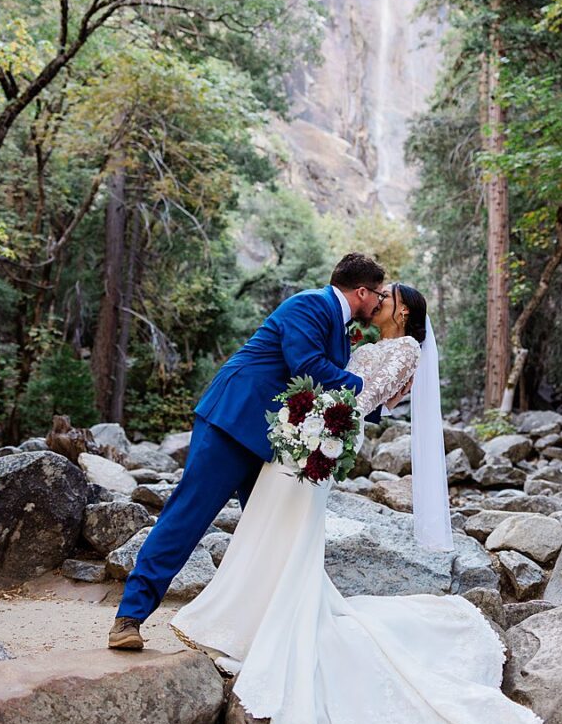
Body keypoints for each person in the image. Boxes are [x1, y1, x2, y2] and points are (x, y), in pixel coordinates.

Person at [170, 283, 549, 724]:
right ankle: (244, 615)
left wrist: (318, 418)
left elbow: (357, 396)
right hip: (306, 437)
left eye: (389, 296)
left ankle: (263, 621)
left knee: (286, 532)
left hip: (318, 444)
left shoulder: (407, 350)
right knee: (268, 528)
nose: (379, 300)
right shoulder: (371, 340)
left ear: (404, 311)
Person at [109, 254, 388, 650]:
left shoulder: (341, 327)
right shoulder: (309, 304)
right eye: (378, 295)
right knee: (188, 515)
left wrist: (379, 400)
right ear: (362, 291)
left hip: (276, 441)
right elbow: (307, 365)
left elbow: (326, 385)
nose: (379, 304)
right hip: (233, 422)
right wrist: (367, 386)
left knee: (277, 532)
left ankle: (263, 633)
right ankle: (129, 617)